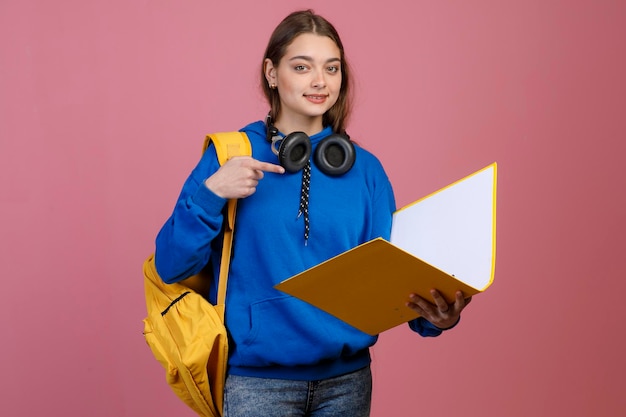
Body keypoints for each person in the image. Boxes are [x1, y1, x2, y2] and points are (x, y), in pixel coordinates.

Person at [154, 9, 472, 417]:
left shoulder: (366, 170)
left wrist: (436, 318)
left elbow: (390, 274)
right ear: (272, 72)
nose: (320, 81)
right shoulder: (231, 156)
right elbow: (171, 265)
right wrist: (212, 193)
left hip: (347, 383)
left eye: (332, 68)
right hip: (257, 385)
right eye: (302, 67)